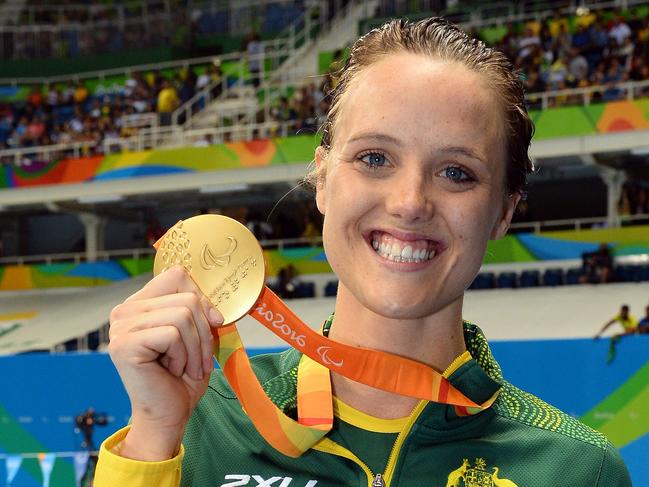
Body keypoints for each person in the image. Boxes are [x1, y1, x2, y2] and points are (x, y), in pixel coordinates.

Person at [94, 18, 631, 486]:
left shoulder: (574, 470)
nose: (409, 202)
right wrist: (154, 434)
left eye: (456, 173)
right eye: (375, 157)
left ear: (503, 213)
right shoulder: (202, 424)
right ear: (322, 180)